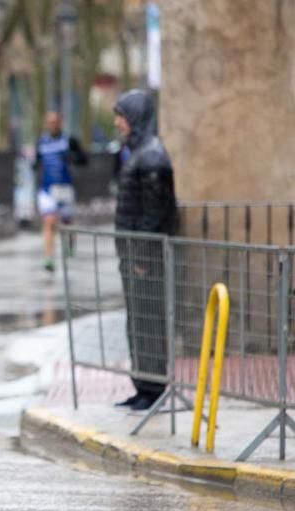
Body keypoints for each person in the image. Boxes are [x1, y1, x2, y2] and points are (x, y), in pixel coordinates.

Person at [111, 89, 177, 412]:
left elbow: (156, 213)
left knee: (149, 322)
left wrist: (142, 258)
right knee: (137, 322)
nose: (117, 123)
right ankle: (142, 386)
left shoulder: (152, 157)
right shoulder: (138, 154)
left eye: (121, 115)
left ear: (135, 117)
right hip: (133, 258)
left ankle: (153, 389)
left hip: (144, 261)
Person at [35, 111, 88, 272]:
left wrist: (71, 157)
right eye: (49, 123)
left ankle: (70, 246)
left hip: (65, 188)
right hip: (47, 189)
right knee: (49, 220)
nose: (52, 125)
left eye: (55, 122)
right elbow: (36, 163)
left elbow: (84, 160)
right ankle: (49, 258)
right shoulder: (41, 141)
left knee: (66, 222)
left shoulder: (69, 140)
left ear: (60, 123)